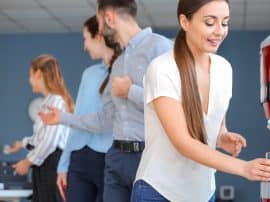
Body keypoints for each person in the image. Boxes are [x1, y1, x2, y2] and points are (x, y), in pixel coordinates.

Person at [131, 0, 270, 202]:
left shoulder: (224, 69)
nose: (219, 31)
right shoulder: (162, 69)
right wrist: (243, 168)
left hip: (202, 192)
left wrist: (222, 137)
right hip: (159, 191)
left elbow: (216, 125)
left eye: (225, 23)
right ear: (185, 21)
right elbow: (183, 142)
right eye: (210, 22)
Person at [39, 1, 172, 202]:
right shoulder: (117, 65)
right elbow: (106, 119)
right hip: (116, 158)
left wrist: (130, 91)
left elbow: (173, 105)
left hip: (149, 157)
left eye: (100, 21)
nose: (99, 28)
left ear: (109, 18)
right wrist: (63, 118)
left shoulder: (160, 47)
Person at [55, 15, 121, 202]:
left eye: (86, 38)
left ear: (99, 36)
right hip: (78, 159)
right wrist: (63, 165)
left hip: (109, 158)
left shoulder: (124, 72)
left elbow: (109, 121)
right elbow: (78, 119)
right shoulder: (89, 74)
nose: (84, 46)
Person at [6, 54, 74, 202]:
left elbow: (50, 142)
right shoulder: (48, 101)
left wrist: (27, 162)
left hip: (52, 165)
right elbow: (41, 138)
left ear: (38, 74)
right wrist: (22, 144)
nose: (29, 80)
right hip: (44, 164)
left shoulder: (56, 101)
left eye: (30, 74)